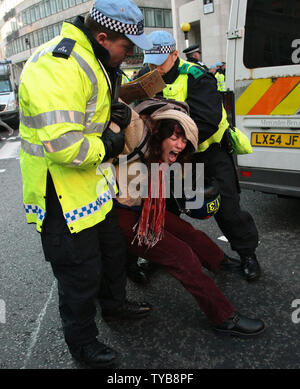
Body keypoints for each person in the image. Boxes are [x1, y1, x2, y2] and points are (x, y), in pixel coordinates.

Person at [18, 0, 154, 369]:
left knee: (112, 255)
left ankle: (113, 306)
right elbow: (65, 147)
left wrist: (116, 112)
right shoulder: (57, 65)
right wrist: (112, 142)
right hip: (60, 191)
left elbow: (88, 111)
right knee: (79, 274)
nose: (128, 57)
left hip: (93, 184)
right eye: (126, 48)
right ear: (103, 36)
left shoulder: (94, 58)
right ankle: (83, 344)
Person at [114, 104, 265, 337]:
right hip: (120, 216)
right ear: (159, 133)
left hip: (143, 209)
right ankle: (224, 317)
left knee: (186, 231)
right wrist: (123, 112)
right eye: (175, 137)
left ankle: (219, 261)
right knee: (181, 256)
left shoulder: (164, 155)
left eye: (184, 141)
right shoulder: (139, 136)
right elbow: (127, 114)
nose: (180, 144)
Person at [131, 30, 261, 283]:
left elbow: (207, 121)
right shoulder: (145, 76)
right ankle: (157, 255)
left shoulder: (197, 76)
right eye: (150, 61)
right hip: (167, 157)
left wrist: (177, 147)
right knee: (163, 209)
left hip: (205, 153)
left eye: (159, 61)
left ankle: (247, 254)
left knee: (227, 208)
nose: (154, 68)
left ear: (174, 54)